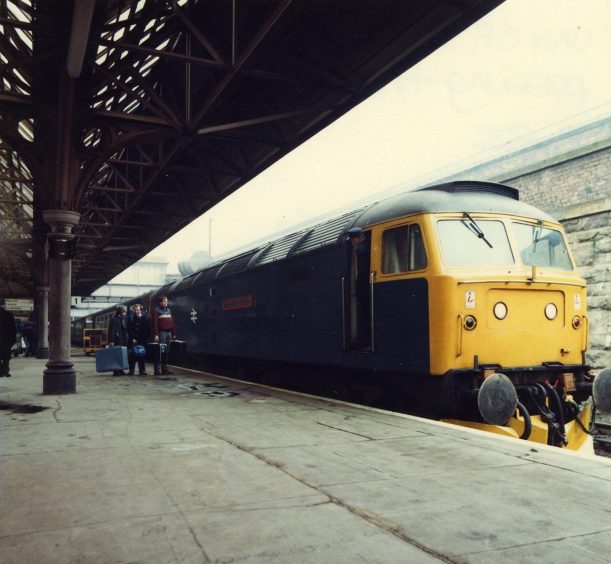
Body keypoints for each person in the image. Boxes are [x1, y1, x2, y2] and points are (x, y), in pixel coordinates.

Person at [347, 227, 371, 349]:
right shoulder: (369, 244)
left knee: (363, 315)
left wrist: (358, 287)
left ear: (356, 239)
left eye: (352, 241)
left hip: (364, 288)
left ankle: (363, 342)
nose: (353, 243)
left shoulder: (360, 250)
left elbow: (362, 272)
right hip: (369, 286)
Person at [151, 295, 176, 376]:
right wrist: (156, 334)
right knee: (160, 351)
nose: (166, 303)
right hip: (161, 333)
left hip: (168, 333)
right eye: (164, 301)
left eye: (167, 301)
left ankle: (164, 369)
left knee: (166, 351)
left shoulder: (168, 310)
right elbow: (154, 324)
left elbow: (172, 323)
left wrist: (174, 333)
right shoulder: (156, 311)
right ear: (160, 302)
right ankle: (157, 370)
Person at [127, 303, 150, 375]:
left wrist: (145, 338)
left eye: (138, 310)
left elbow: (148, 329)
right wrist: (132, 338)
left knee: (142, 355)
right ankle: (131, 371)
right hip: (134, 340)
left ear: (141, 310)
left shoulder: (145, 318)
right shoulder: (132, 318)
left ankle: (142, 370)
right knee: (132, 356)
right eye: (136, 310)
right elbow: (129, 329)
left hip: (142, 340)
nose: (137, 311)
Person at [107, 304, 129, 375]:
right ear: (120, 312)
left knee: (121, 356)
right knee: (116, 355)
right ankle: (116, 371)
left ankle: (121, 369)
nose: (125, 313)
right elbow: (111, 331)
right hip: (116, 340)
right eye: (124, 312)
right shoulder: (114, 319)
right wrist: (111, 341)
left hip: (123, 340)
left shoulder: (124, 319)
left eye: (126, 312)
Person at [0, 298, 17, 377]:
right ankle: (6, 371)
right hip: (6, 340)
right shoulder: (9, 315)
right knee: (6, 357)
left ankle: (0, 372)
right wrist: (13, 340)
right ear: (4, 305)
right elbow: (13, 329)